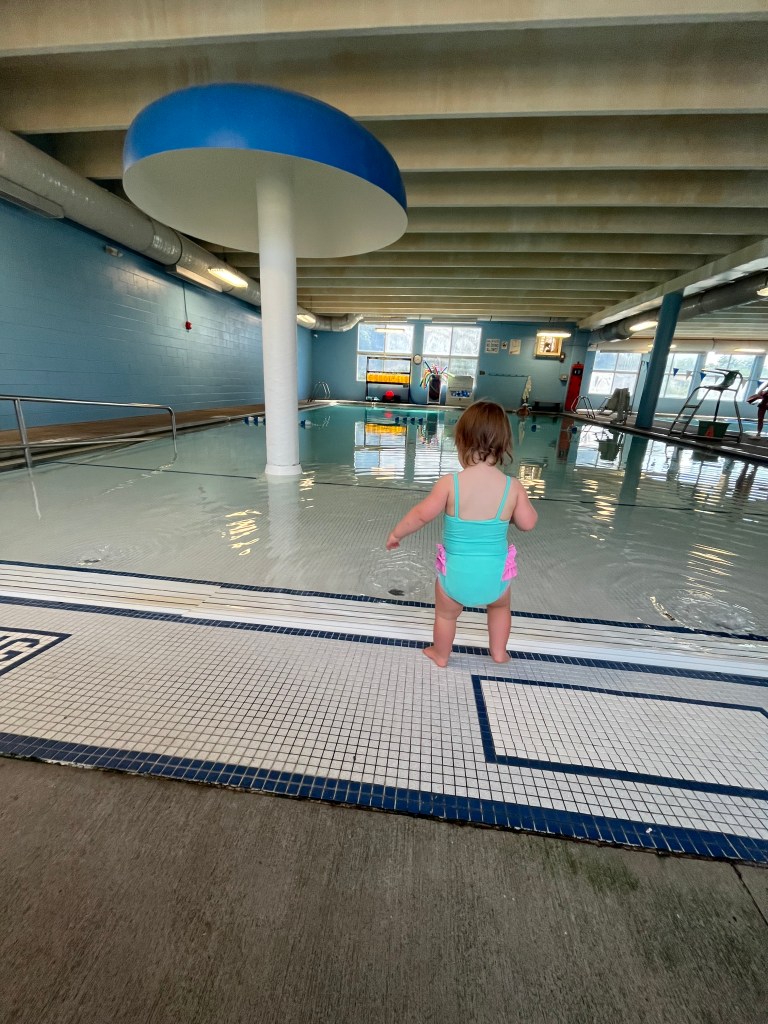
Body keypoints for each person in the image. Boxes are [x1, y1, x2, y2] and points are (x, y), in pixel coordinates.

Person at [386, 400, 538, 667]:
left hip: (456, 575)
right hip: (495, 576)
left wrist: (396, 534)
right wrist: (513, 512)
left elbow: (421, 515)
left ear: (462, 442)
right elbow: (527, 523)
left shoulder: (450, 484)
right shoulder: (512, 487)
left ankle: (441, 655)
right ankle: (499, 653)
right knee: (500, 608)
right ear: (503, 445)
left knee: (446, 616)